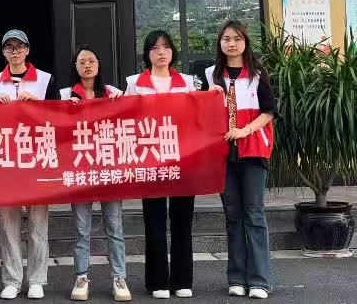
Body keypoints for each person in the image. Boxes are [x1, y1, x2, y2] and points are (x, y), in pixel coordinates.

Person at [124, 31, 202, 299]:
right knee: (154, 221)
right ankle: (157, 281)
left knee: (182, 220)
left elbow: (200, 116)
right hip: (150, 159)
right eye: (155, 48)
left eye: (166, 47)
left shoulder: (188, 83)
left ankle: (182, 280)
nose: (161, 52)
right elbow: (123, 116)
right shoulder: (134, 83)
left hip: (183, 159)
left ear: (172, 52)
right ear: (147, 53)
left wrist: (213, 95)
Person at [203, 21, 275, 300]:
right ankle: (236, 278)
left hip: (253, 150)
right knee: (232, 216)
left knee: (254, 214)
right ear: (220, 43)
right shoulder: (211, 74)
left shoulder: (258, 73)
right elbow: (201, 111)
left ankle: (259, 281)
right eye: (226, 39)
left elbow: (269, 111)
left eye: (236, 39)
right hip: (223, 154)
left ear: (245, 42)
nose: (231, 44)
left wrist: (245, 130)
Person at [58, 45, 130, 302]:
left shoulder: (114, 93)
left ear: (99, 64)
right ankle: (81, 276)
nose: (87, 65)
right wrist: (66, 110)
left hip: (109, 169)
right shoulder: (65, 95)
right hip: (80, 170)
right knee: (81, 228)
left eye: (91, 60)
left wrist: (120, 105)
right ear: (75, 67)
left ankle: (119, 277)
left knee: (115, 227)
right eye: (81, 62)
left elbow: (129, 123)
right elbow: (57, 130)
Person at [0, 29, 56, 300]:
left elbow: (59, 116)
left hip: (37, 158)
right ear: (3, 52)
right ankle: (12, 279)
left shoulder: (45, 79)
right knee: (8, 224)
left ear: (27, 50)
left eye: (19, 47)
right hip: (5, 159)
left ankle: (37, 279)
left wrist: (39, 104)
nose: (14, 51)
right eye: (9, 47)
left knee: (38, 224)